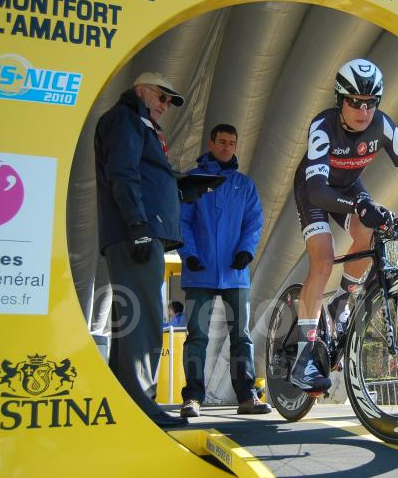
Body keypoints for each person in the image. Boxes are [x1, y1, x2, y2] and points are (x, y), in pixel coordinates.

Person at [289, 59, 398, 391]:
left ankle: (342, 301)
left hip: (350, 186)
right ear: (340, 100)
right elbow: (317, 191)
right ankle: (303, 355)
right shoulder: (323, 126)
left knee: (371, 233)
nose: (363, 110)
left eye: (370, 103)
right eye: (354, 101)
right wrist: (359, 205)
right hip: (315, 188)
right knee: (323, 260)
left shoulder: (384, 127)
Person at [94, 71, 187, 428]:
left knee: (130, 319)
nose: (165, 106)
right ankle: (143, 406)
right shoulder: (125, 120)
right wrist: (137, 226)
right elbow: (123, 172)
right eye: (162, 97)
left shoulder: (137, 123)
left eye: (169, 101)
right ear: (141, 90)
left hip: (141, 229)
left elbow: (140, 175)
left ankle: (127, 406)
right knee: (144, 319)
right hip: (136, 231)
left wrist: (180, 190)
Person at [177, 124, 271, 416]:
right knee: (196, 336)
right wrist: (188, 254)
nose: (227, 147)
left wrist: (246, 251)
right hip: (199, 270)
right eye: (222, 142)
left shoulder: (245, 185)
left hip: (234, 272)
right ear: (211, 143)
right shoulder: (193, 181)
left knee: (241, 336)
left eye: (232, 142)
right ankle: (192, 397)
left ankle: (247, 397)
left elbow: (253, 222)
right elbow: (182, 221)